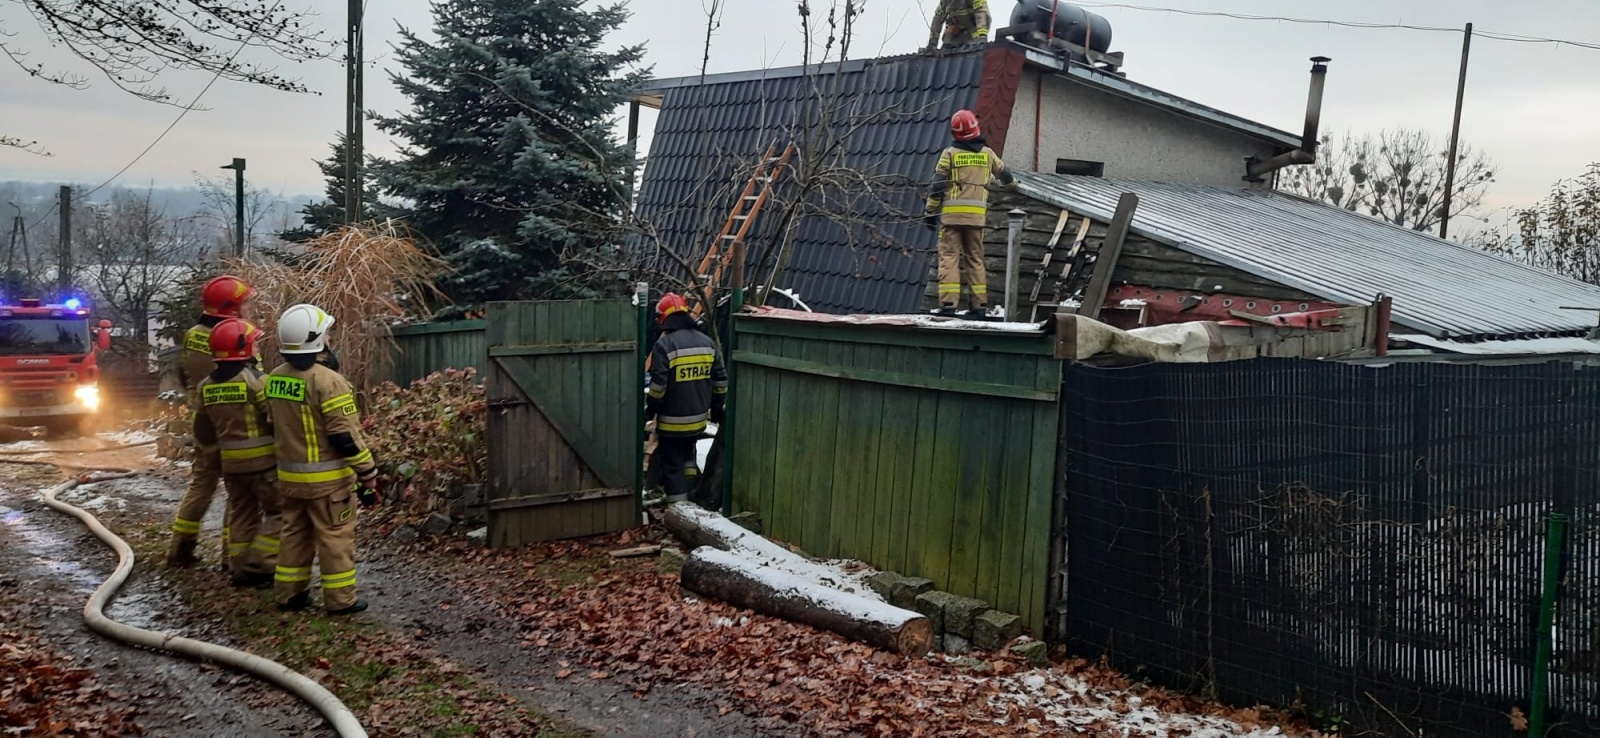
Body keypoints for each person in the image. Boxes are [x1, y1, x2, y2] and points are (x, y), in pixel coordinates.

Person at [263, 304, 379, 615]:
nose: (330, 337)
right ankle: (341, 600)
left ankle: (290, 594)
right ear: (315, 339)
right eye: (326, 333)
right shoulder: (330, 382)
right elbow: (345, 437)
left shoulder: (274, 378)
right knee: (335, 538)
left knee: (294, 535)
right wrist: (368, 472)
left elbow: (273, 423)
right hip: (328, 485)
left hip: (290, 481)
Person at [166, 275, 255, 567]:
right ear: (231, 307)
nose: (247, 308)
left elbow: (182, 374)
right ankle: (232, 558)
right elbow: (252, 380)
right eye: (243, 303)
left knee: (201, 484)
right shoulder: (234, 337)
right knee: (238, 492)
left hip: (202, 421)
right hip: (233, 423)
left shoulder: (193, 334)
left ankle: (180, 548)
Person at [195, 318, 280, 588]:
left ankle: (239, 569)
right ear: (244, 348)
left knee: (242, 515)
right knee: (281, 512)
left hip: (231, 467)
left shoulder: (205, 386)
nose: (257, 347)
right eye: (255, 343)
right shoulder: (257, 382)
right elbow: (276, 421)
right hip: (264, 465)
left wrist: (215, 460)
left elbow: (202, 430)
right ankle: (261, 563)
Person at [923, 109, 1016, 314]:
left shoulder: (949, 154)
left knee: (949, 257)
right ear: (976, 128)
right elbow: (1007, 177)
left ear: (954, 132)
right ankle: (979, 306)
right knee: (975, 258)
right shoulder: (988, 154)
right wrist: (1013, 186)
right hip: (976, 219)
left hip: (951, 219)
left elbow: (937, 186)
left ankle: (949, 305)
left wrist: (930, 212)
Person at [646, 293, 726, 507]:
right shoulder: (707, 343)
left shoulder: (665, 346)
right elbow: (721, 380)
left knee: (673, 467)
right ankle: (692, 498)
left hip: (672, 423)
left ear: (664, 318)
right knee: (688, 459)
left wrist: (649, 411)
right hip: (698, 421)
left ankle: (679, 510)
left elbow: (658, 388)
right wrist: (717, 407)